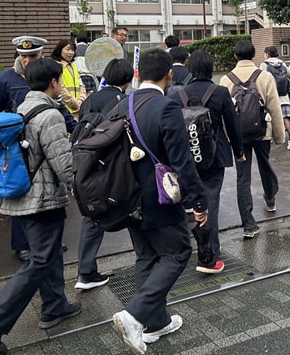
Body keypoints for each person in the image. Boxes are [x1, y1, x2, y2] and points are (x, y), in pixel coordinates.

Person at [0, 58, 81, 355]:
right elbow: (64, 162)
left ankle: (55, 306)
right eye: (59, 81)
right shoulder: (50, 114)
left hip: (23, 194)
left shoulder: (19, 108)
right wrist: (82, 188)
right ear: (53, 83)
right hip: (42, 199)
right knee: (40, 260)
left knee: (48, 252)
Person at [110, 48, 208, 354]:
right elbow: (182, 161)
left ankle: (155, 324)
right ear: (169, 74)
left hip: (126, 197)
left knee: (147, 257)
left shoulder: (119, 105)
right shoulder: (164, 107)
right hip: (158, 198)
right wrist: (199, 202)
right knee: (178, 252)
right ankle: (135, 315)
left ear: (138, 74)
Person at [0, 36, 74, 263]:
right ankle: (22, 245)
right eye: (23, 56)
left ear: (41, 55)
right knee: (21, 192)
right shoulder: (6, 79)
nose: (27, 60)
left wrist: (77, 129)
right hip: (16, 147)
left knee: (46, 194)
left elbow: (59, 108)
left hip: (44, 142)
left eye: (32, 56)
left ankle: (50, 243)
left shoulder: (47, 79)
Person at [169, 50, 245, 274]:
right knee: (210, 203)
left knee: (189, 204)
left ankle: (183, 252)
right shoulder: (220, 93)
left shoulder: (177, 95)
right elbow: (232, 126)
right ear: (211, 68)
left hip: (186, 158)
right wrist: (239, 151)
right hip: (214, 157)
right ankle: (209, 255)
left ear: (190, 68)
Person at [74, 59, 134, 290]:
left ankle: (85, 272)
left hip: (89, 166)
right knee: (133, 210)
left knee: (92, 217)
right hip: (117, 167)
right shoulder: (126, 101)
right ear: (128, 80)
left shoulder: (89, 100)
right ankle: (145, 260)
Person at [219, 40, 284, 238]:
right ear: (254, 55)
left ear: (235, 56)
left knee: (243, 176)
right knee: (265, 164)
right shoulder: (264, 76)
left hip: (238, 136)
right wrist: (279, 135)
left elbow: (223, 115)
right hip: (262, 132)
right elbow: (274, 107)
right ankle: (270, 198)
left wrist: (229, 137)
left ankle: (248, 224)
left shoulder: (226, 80)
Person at [260, 46, 290, 149]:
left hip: (271, 96)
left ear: (267, 54)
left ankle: (273, 138)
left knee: (270, 116)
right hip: (284, 95)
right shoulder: (282, 64)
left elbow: (260, 79)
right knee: (286, 117)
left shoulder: (264, 65)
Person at [51, 39, 87, 119]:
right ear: (60, 50)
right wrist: (75, 103)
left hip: (78, 109)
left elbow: (81, 85)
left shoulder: (73, 66)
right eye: (67, 49)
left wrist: (81, 100)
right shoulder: (56, 66)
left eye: (73, 50)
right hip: (65, 110)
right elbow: (61, 89)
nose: (70, 52)